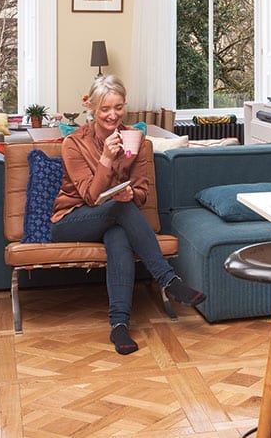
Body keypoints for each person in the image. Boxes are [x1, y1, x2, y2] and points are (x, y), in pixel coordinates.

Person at [50, 75, 205, 355]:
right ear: (93, 110)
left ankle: (119, 325)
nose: (113, 115)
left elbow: (143, 190)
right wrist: (107, 159)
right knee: (120, 212)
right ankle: (170, 281)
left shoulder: (135, 137)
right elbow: (89, 197)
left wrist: (133, 195)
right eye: (105, 109)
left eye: (118, 107)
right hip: (71, 220)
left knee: (119, 232)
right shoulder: (73, 143)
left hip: (114, 217)